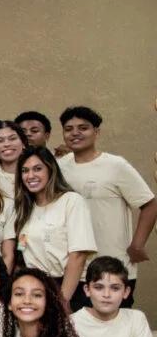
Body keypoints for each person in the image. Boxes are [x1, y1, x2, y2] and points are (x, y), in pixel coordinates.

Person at [58, 106, 156, 310]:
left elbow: (149, 204)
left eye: (83, 128)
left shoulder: (116, 165)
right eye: (69, 129)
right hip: (73, 270)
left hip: (113, 267)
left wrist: (137, 244)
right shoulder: (60, 167)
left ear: (97, 132)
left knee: (113, 325)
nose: (75, 133)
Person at [13, 147, 96, 306]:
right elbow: (21, 251)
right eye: (25, 171)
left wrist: (62, 301)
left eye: (37, 168)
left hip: (70, 287)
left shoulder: (71, 201)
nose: (31, 175)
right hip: (36, 288)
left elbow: (78, 255)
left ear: (51, 170)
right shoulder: (25, 209)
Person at [0, 121, 27, 200]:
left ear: (23, 144)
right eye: (0, 141)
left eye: (12, 139)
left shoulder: (35, 173)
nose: (7, 144)